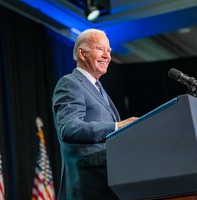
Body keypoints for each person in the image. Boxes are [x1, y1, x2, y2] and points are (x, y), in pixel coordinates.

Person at [52, 28, 138, 200]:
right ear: (82, 53)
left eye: (109, 50)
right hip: (88, 185)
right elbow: (69, 128)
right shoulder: (70, 83)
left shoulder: (99, 89)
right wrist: (117, 127)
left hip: (110, 181)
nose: (107, 55)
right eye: (100, 49)